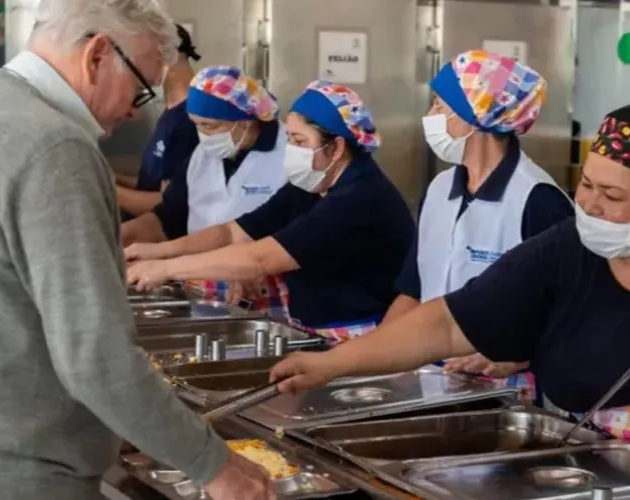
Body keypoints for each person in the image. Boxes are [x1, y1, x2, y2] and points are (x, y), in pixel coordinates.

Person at [270, 103, 630, 499]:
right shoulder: (569, 247)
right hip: (607, 476)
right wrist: (331, 364)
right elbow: (447, 323)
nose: (589, 204)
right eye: (587, 183)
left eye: (613, 195)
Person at [0, 1, 273, 499]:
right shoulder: (56, 148)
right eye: (141, 86)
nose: (134, 108)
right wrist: (214, 465)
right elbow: (94, 355)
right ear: (98, 53)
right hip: (21, 475)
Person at [126, 81, 415, 341]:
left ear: (337, 147)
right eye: (289, 139)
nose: (291, 150)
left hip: (362, 331)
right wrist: (154, 253)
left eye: (300, 142)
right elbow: (233, 231)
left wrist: (166, 268)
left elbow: (262, 258)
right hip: (315, 324)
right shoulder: (312, 185)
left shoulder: (359, 197)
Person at [383, 50, 572, 390]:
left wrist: (518, 354)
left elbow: (569, 311)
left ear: (475, 116)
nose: (430, 115)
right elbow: (414, 290)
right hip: (433, 377)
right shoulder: (439, 190)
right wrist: (373, 356)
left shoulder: (538, 199)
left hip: (505, 391)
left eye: (440, 105)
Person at [122, 64, 288, 311]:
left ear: (243, 121)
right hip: (204, 282)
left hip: (269, 284)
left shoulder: (289, 154)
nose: (202, 135)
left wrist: (166, 262)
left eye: (209, 126)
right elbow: (170, 217)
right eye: (196, 125)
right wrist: (119, 237)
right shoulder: (202, 155)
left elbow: (294, 233)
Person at [116, 24, 201, 219]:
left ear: (168, 54)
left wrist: (110, 192)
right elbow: (150, 181)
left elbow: (169, 201)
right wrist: (111, 178)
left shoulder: (190, 118)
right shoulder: (170, 110)